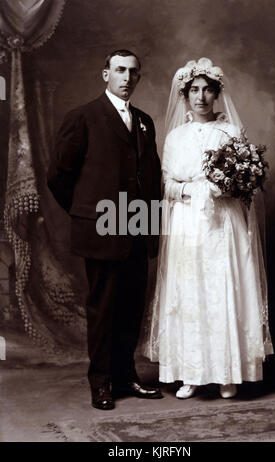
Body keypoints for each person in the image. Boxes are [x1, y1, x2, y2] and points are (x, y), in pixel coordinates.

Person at [143, 57, 273, 399]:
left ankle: (227, 371)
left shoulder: (231, 132)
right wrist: (190, 188)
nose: (200, 97)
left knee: (224, 286)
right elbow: (167, 184)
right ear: (185, 96)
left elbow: (248, 180)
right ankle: (192, 373)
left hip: (224, 222)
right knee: (189, 291)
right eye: (194, 91)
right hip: (188, 223)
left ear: (217, 95)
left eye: (207, 90)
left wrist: (229, 184)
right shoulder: (175, 137)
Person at [47, 49, 163, 410]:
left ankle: (126, 375)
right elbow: (58, 177)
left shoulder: (144, 120)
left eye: (133, 72)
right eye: (119, 70)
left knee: (131, 308)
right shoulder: (82, 117)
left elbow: (151, 178)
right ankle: (101, 383)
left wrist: (149, 225)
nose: (126, 77)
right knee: (103, 309)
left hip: (138, 227)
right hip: (101, 229)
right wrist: (88, 215)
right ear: (105, 74)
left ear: (138, 78)